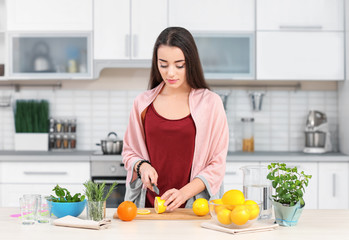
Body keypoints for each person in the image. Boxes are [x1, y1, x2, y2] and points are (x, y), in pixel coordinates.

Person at [122, 26, 229, 211]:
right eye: (163, 64)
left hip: (194, 210)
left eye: (179, 65)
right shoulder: (142, 103)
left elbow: (217, 164)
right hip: (148, 209)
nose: (170, 73)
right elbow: (129, 152)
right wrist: (142, 167)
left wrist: (184, 193)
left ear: (191, 62)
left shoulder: (211, 103)